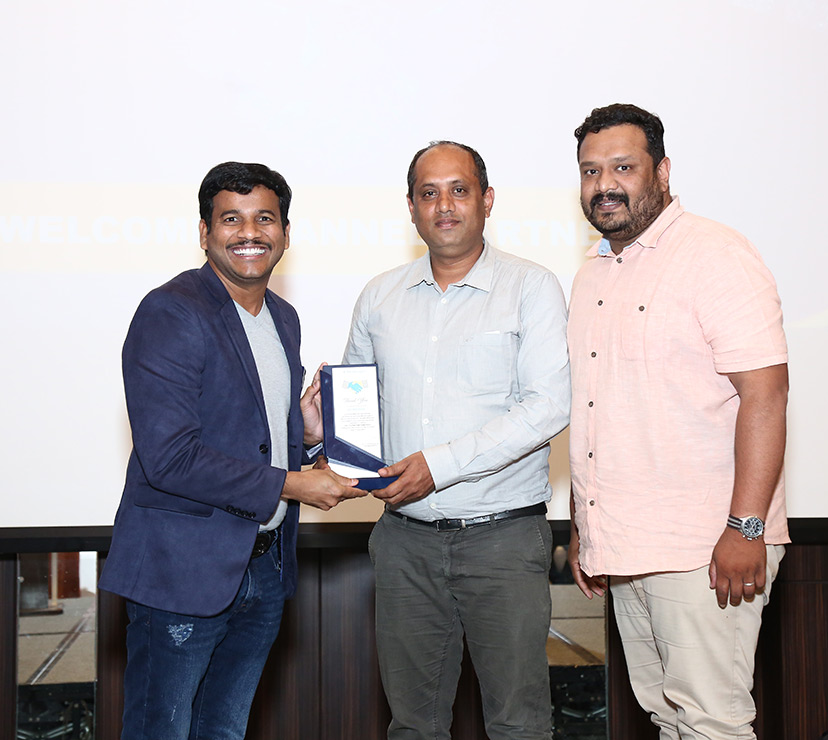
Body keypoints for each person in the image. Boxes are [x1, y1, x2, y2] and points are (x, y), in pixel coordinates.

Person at [99, 161, 364, 740]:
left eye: (264, 219)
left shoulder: (283, 317)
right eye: (231, 219)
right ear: (204, 232)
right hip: (183, 573)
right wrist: (293, 484)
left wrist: (305, 436)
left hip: (264, 568)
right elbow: (170, 457)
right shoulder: (171, 311)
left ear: (285, 234)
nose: (250, 232)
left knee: (224, 731)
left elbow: (248, 433)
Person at [566, 104, 790, 740]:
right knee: (668, 718)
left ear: (662, 172)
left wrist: (746, 527)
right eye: (590, 171)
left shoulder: (715, 254)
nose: (605, 185)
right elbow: (597, 411)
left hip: (705, 548)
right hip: (627, 546)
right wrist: (587, 526)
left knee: (711, 723)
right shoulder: (591, 275)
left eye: (623, 167)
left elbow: (766, 395)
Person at [340, 141, 570, 739]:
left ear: (487, 200)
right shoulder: (378, 297)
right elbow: (357, 415)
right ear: (411, 208)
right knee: (412, 727)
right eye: (429, 193)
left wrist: (437, 466)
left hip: (503, 543)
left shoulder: (531, 287)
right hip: (404, 544)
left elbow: (548, 406)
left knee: (519, 725)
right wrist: (324, 436)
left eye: (459, 190)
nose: (444, 206)